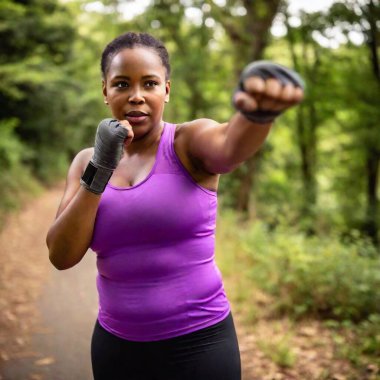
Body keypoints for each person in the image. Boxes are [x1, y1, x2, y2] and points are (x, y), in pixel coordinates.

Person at [46, 32, 303, 380]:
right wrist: (100, 169)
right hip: (116, 347)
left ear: (166, 90)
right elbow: (62, 255)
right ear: (105, 91)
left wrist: (257, 113)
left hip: (200, 346)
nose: (136, 95)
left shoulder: (187, 142)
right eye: (122, 84)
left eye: (149, 83)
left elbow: (229, 146)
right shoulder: (85, 162)